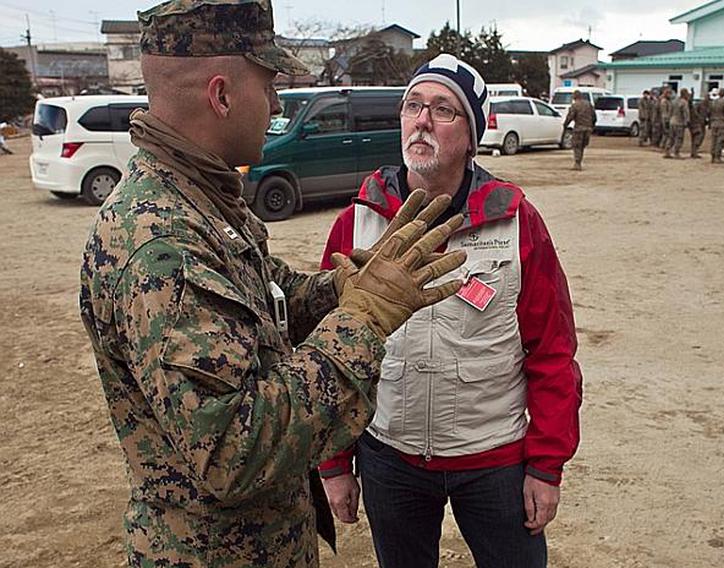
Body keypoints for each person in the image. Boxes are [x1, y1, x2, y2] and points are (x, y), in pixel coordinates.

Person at [78, 2, 468, 566]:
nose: (279, 104)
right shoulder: (163, 243)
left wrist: (340, 292)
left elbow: (265, 301)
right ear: (222, 95)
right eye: (270, 85)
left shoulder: (201, 199)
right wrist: (365, 318)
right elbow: (235, 447)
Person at [318, 53, 583, 568]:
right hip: (389, 457)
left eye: (443, 110)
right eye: (412, 105)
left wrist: (545, 466)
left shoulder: (515, 222)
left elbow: (551, 350)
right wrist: (333, 464)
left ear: (471, 135)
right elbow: (326, 350)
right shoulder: (357, 224)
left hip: (495, 460)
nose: (421, 119)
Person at [563, 89, 596, 170]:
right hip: (588, 128)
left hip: (579, 129)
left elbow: (570, 116)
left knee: (577, 146)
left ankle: (577, 163)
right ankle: (579, 162)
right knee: (582, 146)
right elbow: (594, 117)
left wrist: (565, 125)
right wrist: (592, 126)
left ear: (575, 97)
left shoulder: (575, 105)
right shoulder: (588, 104)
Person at [665, 88, 690, 159]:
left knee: (671, 137)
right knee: (679, 138)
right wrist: (687, 121)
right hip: (679, 122)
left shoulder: (674, 101)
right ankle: (676, 152)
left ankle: (667, 151)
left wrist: (668, 120)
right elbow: (686, 113)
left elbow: (669, 111)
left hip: (672, 121)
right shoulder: (684, 102)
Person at [709, 88, 724, 163]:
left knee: (713, 140)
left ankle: (712, 156)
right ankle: (717, 157)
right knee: (720, 140)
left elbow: (710, 112)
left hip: (713, 122)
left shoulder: (713, 102)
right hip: (722, 123)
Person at [689, 95, 708, 159]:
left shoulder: (707, 105)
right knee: (698, 137)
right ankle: (694, 152)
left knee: (698, 138)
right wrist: (699, 119)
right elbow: (694, 113)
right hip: (697, 124)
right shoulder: (698, 105)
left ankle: (694, 152)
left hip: (701, 123)